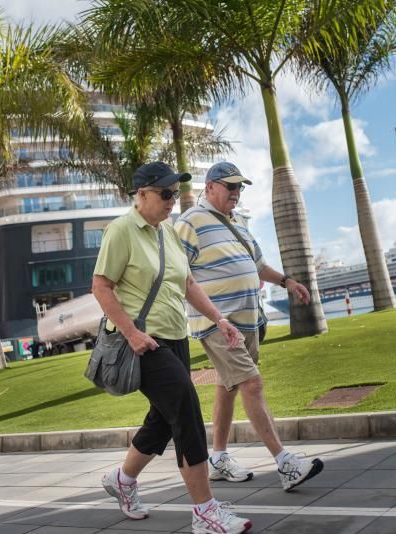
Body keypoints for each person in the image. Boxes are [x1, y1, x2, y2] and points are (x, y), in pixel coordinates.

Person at [93, 161, 252, 534]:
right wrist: (132, 334)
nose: (171, 200)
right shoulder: (121, 231)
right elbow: (101, 286)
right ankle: (205, 512)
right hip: (143, 342)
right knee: (186, 409)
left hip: (175, 336)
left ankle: (123, 479)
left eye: (174, 193)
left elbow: (189, 283)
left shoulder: (167, 232)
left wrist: (219, 319)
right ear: (142, 194)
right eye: (165, 193)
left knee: (164, 418)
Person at [174, 161, 324, 491]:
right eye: (230, 187)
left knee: (227, 387)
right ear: (210, 186)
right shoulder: (189, 223)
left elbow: (257, 266)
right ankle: (285, 464)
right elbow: (179, 275)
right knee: (251, 384)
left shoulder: (238, 222)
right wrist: (213, 316)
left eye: (240, 187)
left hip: (247, 321)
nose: (236, 193)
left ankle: (218, 458)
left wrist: (286, 281)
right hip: (217, 323)